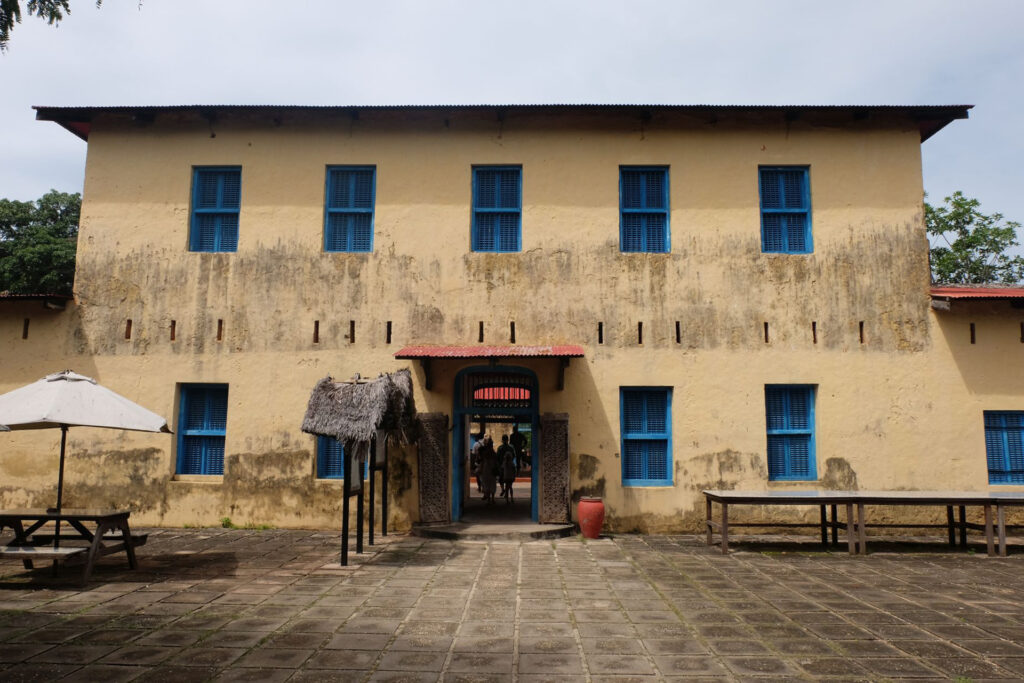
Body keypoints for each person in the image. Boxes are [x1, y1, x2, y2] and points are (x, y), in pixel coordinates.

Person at [497, 434, 518, 503]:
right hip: (509, 469)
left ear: (502, 440)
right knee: (510, 485)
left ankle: (503, 489)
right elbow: (514, 456)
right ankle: (508, 495)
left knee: (501, 479)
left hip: (502, 466)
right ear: (508, 440)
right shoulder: (511, 448)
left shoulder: (500, 448)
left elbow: (497, 457)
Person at [477, 435, 498, 504]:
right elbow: (496, 462)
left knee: (487, 484)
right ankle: (492, 499)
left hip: (486, 469)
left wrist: (481, 469)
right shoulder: (494, 453)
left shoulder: (485, 453)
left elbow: (482, 461)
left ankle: (489, 499)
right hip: (491, 469)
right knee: (492, 484)